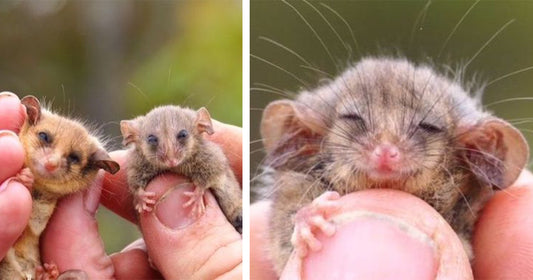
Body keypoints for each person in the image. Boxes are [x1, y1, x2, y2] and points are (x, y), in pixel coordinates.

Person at [0, 92, 242, 279]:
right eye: (44, 138)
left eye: (73, 158)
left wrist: (200, 189)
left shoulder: (205, 155)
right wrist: (140, 194)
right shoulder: (137, 166)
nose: (51, 162)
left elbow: (216, 168)